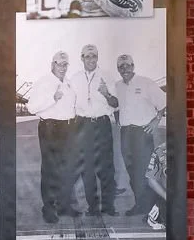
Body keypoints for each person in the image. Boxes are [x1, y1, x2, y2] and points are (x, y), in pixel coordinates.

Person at [68, 43, 118, 216]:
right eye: (87, 56)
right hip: (82, 125)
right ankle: (93, 208)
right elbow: (69, 104)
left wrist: (106, 93)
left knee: (106, 168)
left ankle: (109, 206)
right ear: (81, 58)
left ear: (98, 58)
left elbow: (116, 104)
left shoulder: (107, 76)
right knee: (86, 169)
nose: (91, 59)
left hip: (102, 124)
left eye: (94, 56)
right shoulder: (74, 79)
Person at [112, 54, 165, 215]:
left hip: (142, 132)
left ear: (133, 66)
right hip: (126, 133)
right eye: (121, 67)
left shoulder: (146, 83)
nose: (125, 69)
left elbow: (163, 102)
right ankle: (140, 205)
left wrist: (156, 121)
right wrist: (120, 122)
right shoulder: (117, 86)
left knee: (144, 171)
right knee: (131, 170)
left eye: (127, 65)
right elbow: (116, 108)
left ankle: (153, 209)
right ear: (118, 69)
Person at [27, 50, 76, 223]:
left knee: (66, 168)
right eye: (59, 63)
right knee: (50, 170)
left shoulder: (68, 83)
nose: (63, 67)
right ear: (52, 64)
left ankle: (63, 206)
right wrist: (52, 98)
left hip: (67, 128)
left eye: (65, 64)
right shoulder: (44, 82)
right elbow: (32, 108)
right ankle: (48, 208)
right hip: (50, 128)